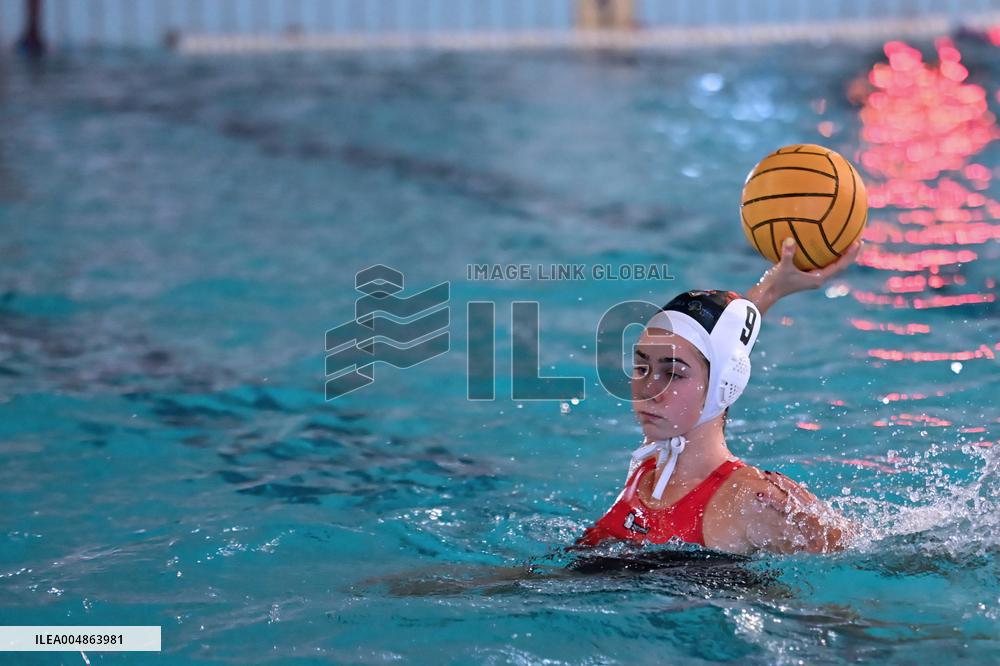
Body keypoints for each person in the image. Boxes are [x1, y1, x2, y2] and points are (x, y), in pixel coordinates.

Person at [575, 237, 864, 555]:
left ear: (724, 384)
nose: (649, 390)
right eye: (642, 367)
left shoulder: (750, 501)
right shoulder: (650, 464)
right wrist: (772, 287)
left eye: (673, 373)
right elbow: (722, 341)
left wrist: (823, 527)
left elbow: (867, 559)